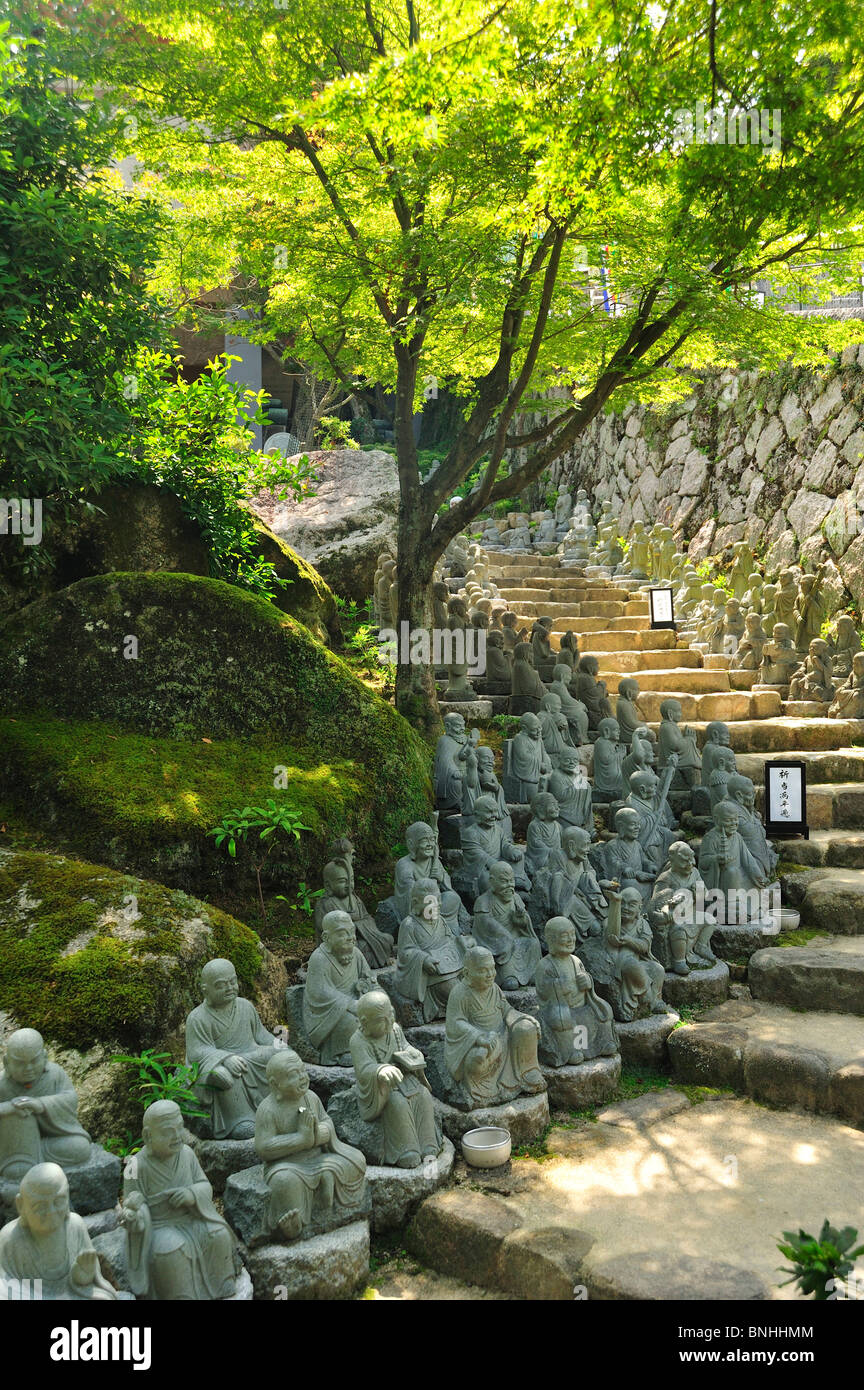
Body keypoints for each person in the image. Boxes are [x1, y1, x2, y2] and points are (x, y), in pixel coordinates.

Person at [121, 1100, 239, 1299]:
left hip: (192, 1218)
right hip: (161, 1226)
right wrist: (135, 1215)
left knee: (218, 1235)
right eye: (168, 1131)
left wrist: (191, 1194)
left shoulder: (187, 1154)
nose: (177, 1136)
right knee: (170, 1250)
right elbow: (132, 1203)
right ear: (148, 1136)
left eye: (180, 1128)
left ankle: (222, 1286)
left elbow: (204, 1185)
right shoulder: (135, 1165)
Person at [254, 1050, 366, 1241]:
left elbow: (327, 1121)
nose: (301, 1078)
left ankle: (326, 1186)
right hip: (287, 1165)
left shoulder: (311, 1097)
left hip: (318, 1157)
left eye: (302, 1071)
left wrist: (319, 1133)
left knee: (358, 1161)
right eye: (292, 1075)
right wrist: (300, 1139)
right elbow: (264, 1148)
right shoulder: (268, 1109)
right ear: (275, 1085)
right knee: (283, 1182)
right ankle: (293, 1223)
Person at [185, 959, 281, 1139]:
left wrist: (281, 1046)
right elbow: (197, 1051)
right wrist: (224, 1059)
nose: (230, 988)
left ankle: (278, 1108)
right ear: (206, 990)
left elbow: (262, 1035)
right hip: (219, 1064)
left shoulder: (245, 1006)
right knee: (224, 1075)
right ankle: (240, 1119)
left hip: (250, 1055)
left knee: (279, 1056)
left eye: (233, 982)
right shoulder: (197, 1018)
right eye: (221, 985)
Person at [350, 992, 442, 1168]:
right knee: (397, 1103)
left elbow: (405, 1046)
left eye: (390, 1014)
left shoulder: (396, 1030)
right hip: (382, 1088)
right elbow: (363, 1069)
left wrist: (414, 1053)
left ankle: (428, 1144)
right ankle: (406, 1149)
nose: (388, 1022)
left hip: (404, 1077)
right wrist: (380, 1069)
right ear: (364, 1022)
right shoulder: (358, 1041)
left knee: (423, 1095)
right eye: (380, 1020)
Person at [444, 947, 546, 1107]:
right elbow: (455, 1023)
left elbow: (507, 1010)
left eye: (492, 968)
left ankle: (526, 1072)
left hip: (503, 1035)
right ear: (467, 973)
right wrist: (478, 1036)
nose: (490, 974)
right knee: (476, 1061)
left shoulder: (494, 989)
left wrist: (523, 1019)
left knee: (526, 1028)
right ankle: (485, 1091)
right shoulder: (459, 993)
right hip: (483, 1043)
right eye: (483, 970)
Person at [0, 1163, 118, 1300]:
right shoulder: (9, 1237)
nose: (51, 1212)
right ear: (21, 1205)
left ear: (67, 1198)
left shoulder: (75, 1226)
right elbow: (3, 1284)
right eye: (40, 1206)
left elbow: (90, 1278)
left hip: (71, 1293)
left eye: (58, 1202)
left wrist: (82, 1276)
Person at [0, 1029, 91, 1181]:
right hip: (16, 1146)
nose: (28, 1068)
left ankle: (31, 1157)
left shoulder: (55, 1075)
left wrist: (40, 1104)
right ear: (6, 1062)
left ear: (44, 1057)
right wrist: (10, 1108)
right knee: (17, 1118)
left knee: (81, 1147)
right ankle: (21, 1159)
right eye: (20, 1063)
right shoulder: (2, 1084)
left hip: (49, 1141)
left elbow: (70, 1099)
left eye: (34, 1061)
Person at [303, 912, 376, 1065]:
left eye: (352, 932)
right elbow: (319, 991)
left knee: (381, 1010)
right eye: (342, 934)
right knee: (352, 1021)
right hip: (329, 1013)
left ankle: (374, 1048)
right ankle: (342, 1052)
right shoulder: (319, 958)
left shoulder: (356, 953)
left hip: (356, 1002)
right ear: (326, 938)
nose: (350, 938)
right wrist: (350, 1004)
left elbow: (369, 978)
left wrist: (374, 992)